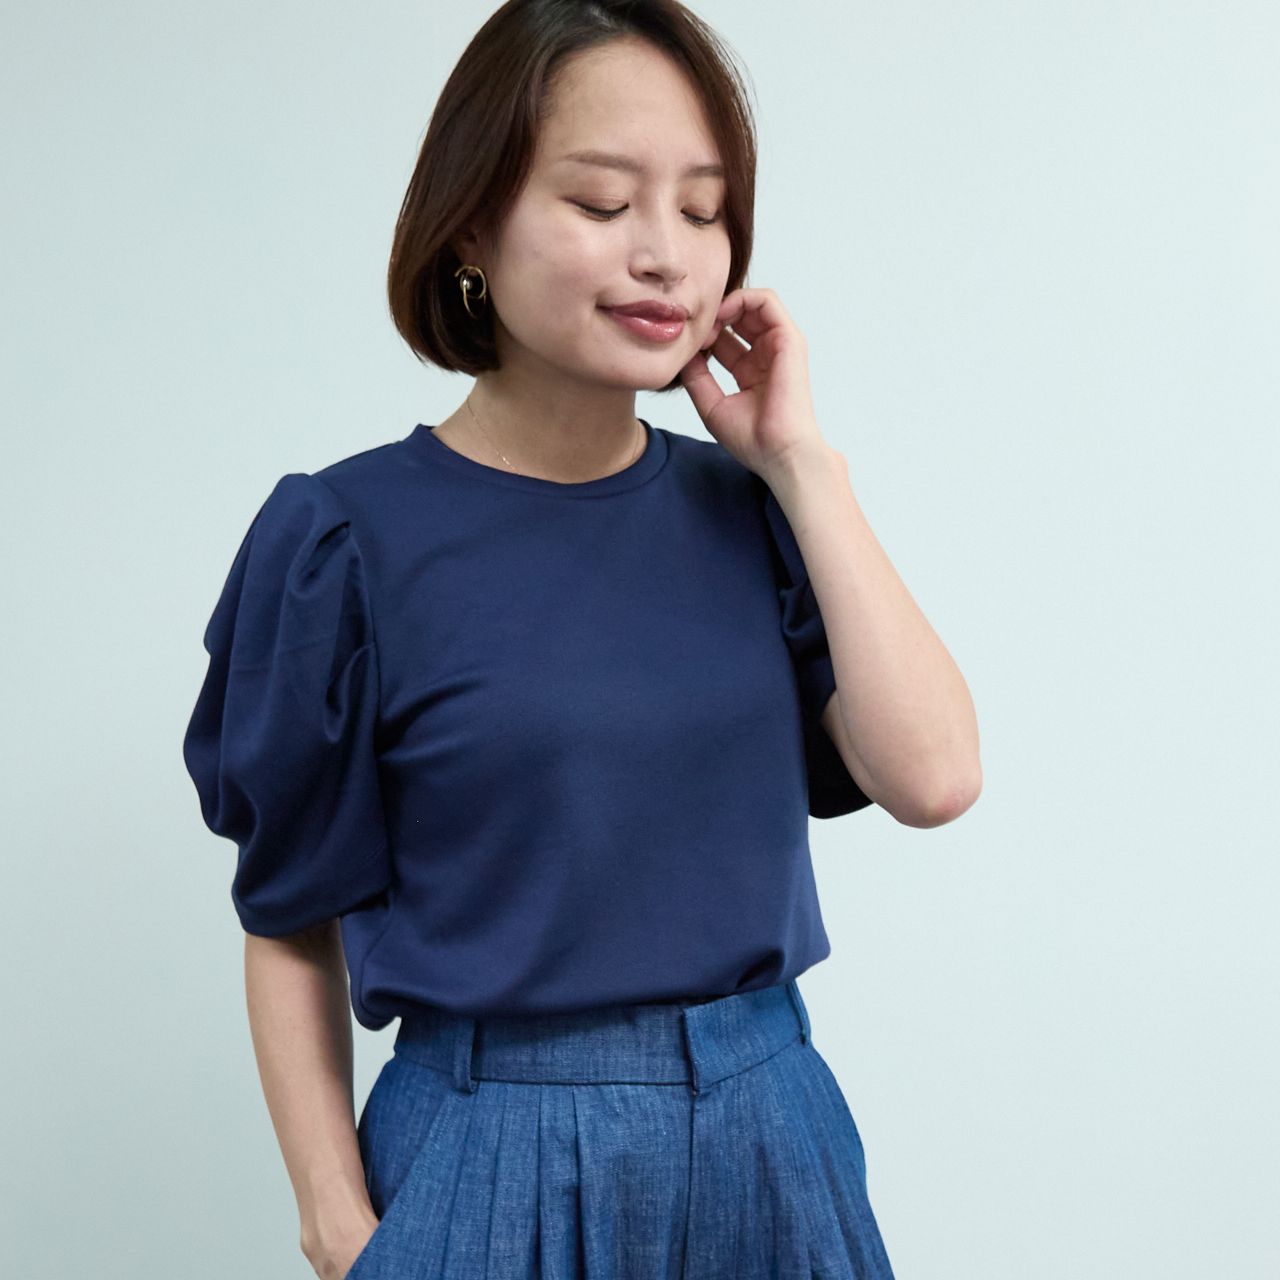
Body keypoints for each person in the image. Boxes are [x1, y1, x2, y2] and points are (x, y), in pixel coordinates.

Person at [184, 1, 982, 1276]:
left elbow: (933, 776)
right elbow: (287, 912)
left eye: (702, 209)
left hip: (771, 1138)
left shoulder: (753, 511)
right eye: (603, 203)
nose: (664, 254)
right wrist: (336, 1222)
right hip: (489, 1148)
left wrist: (801, 465)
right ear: (470, 226)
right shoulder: (345, 541)